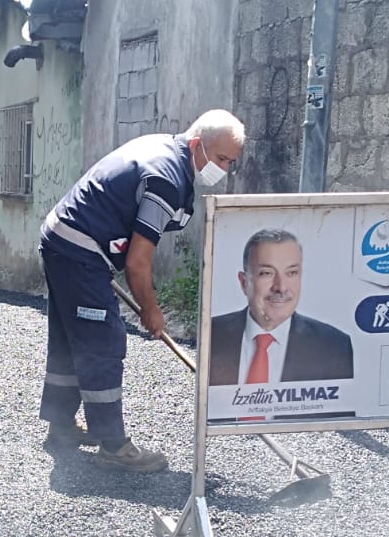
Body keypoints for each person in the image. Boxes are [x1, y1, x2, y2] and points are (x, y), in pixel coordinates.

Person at [39, 110, 247, 472]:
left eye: (231, 162)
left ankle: (61, 426)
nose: (224, 169)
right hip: (79, 247)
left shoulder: (166, 149)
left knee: (71, 335)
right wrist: (151, 309)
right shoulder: (166, 178)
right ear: (197, 145)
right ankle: (113, 445)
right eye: (221, 158)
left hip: (62, 236)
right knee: (102, 340)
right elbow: (138, 261)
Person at [208, 228, 353, 386]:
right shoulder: (212, 334)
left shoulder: (333, 346)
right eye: (266, 273)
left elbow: (340, 410)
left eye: (291, 273)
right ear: (244, 283)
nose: (281, 287)